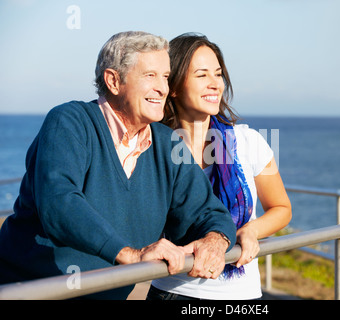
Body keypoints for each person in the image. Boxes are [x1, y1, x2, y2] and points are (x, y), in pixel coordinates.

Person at [0, 31, 237, 300]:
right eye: (150, 76)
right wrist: (130, 255)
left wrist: (215, 240)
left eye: (165, 76)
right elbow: (59, 202)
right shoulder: (69, 121)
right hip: (28, 290)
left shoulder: (168, 144)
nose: (163, 88)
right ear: (113, 81)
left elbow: (208, 211)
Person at [148, 33, 292, 300]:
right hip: (170, 290)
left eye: (218, 74)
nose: (215, 84)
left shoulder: (250, 142)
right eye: (202, 75)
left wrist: (251, 230)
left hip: (239, 294)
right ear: (175, 85)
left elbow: (281, 208)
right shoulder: (152, 146)